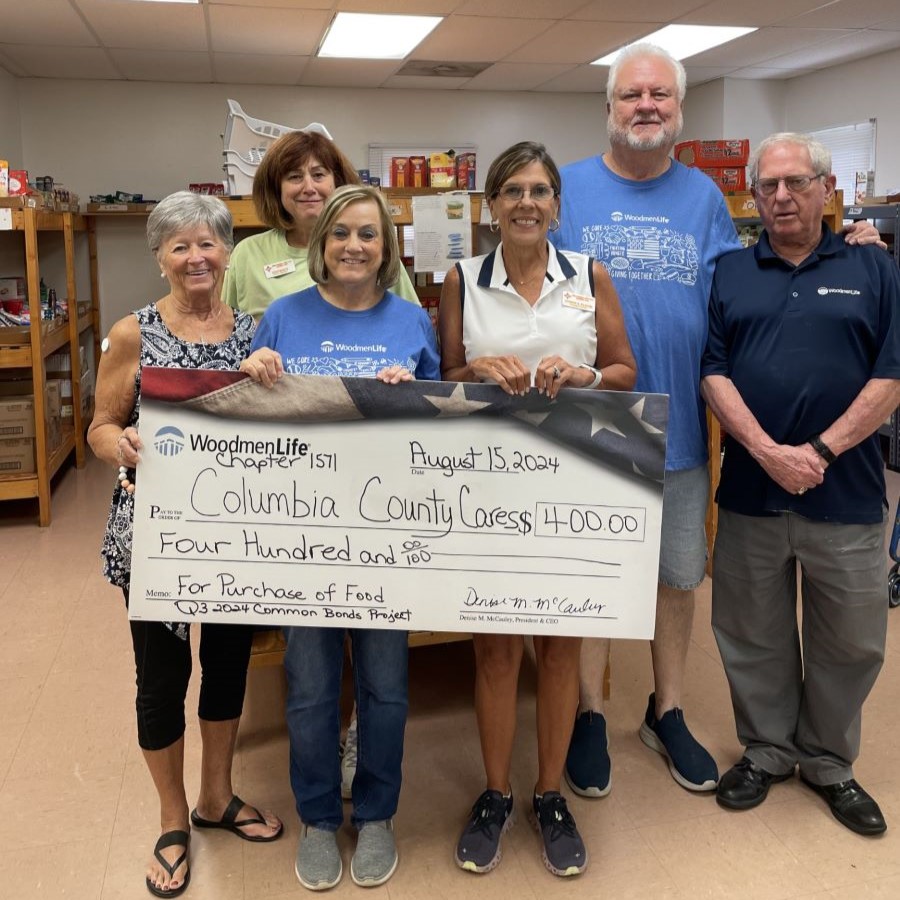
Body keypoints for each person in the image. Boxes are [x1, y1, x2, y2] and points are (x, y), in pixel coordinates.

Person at [552, 42, 883, 800]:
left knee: (676, 580)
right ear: (609, 107)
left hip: (678, 426)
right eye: (632, 95)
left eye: (660, 97)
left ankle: (664, 709)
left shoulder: (704, 197)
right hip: (586, 423)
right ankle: (590, 713)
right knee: (594, 579)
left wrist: (851, 244)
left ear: (678, 110)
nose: (646, 107)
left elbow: (749, 281)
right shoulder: (566, 189)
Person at [439, 141, 637, 878]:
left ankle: (550, 795)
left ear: (557, 204)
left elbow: (624, 370)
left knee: (558, 647)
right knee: (493, 647)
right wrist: (475, 368)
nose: (527, 202)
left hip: (572, 486)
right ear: (490, 207)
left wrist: (583, 371)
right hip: (488, 485)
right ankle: (495, 792)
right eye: (512, 191)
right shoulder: (463, 279)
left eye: (540, 191)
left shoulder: (589, 276)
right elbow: (446, 373)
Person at [240, 184, 440, 891]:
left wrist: (409, 395)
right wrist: (252, 369)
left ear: (386, 248)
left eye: (368, 234)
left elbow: (446, 438)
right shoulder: (282, 318)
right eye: (340, 234)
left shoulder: (414, 323)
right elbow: (246, 420)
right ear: (319, 244)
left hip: (387, 541)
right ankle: (321, 819)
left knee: (386, 686)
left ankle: (378, 812)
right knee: (311, 687)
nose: (353, 245)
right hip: (302, 539)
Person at [701, 132, 900, 836]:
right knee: (750, 630)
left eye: (796, 183)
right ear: (752, 196)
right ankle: (766, 749)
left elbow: (890, 377)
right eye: (767, 187)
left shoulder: (875, 268)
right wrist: (765, 450)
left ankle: (829, 762)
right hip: (752, 493)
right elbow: (713, 372)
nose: (781, 197)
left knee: (852, 638)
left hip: (844, 494)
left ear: (825, 187)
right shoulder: (729, 272)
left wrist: (818, 450)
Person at [88, 191, 283, 899]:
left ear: (227, 252)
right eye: (180, 246)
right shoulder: (133, 333)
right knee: (162, 678)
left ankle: (217, 796)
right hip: (156, 540)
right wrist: (126, 445)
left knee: (228, 666)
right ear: (161, 257)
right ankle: (173, 818)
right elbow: (100, 426)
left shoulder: (255, 332)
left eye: (208, 243)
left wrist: (270, 374)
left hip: (235, 538)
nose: (196, 257)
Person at [222, 128, 419, 320]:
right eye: (295, 177)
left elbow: (411, 325)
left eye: (318, 175)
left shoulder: (368, 251)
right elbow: (227, 332)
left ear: (338, 182)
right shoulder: (248, 254)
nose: (308, 188)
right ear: (276, 188)